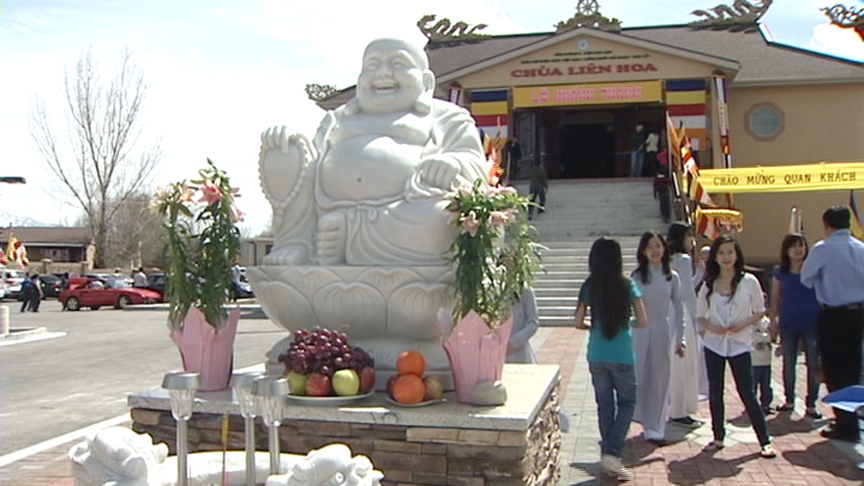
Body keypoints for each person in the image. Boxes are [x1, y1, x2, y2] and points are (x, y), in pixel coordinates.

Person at [258, 37, 488, 266]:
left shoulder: (447, 116)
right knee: (285, 152)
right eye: (372, 65)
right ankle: (296, 243)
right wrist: (290, 138)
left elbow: (475, 167)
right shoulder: (337, 119)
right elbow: (311, 161)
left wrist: (452, 163)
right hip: (327, 208)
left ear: (426, 82)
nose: (383, 73)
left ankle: (347, 230)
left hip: (406, 213)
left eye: (398, 64)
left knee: (445, 219)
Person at [574, 237, 648, 481]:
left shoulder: (589, 285)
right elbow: (643, 320)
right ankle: (612, 453)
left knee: (605, 404)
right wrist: (627, 324)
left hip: (596, 352)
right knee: (627, 402)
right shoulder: (626, 285)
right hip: (622, 352)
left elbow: (577, 321)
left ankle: (609, 455)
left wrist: (591, 327)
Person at [696, 235, 776, 458]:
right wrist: (713, 327)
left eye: (730, 252)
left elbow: (760, 310)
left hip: (740, 343)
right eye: (721, 253)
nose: (726, 257)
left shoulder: (749, 281)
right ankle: (718, 436)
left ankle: (765, 440)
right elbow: (699, 316)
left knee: (747, 393)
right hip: (714, 344)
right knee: (716, 391)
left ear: (737, 254)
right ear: (715, 257)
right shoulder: (709, 283)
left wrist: (742, 324)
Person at [800, 206, 864, 442]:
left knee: (835, 371)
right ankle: (851, 422)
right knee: (853, 369)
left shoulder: (823, 248)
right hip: (858, 314)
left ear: (827, 225)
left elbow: (806, 277)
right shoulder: (861, 248)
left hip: (833, 315)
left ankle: (844, 424)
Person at [630, 231, 684, 446]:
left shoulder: (672, 277)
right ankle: (641, 419)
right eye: (650, 247)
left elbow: (679, 308)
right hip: (640, 332)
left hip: (662, 331)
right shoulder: (636, 277)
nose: (655, 250)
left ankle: (656, 426)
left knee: (659, 378)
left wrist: (681, 338)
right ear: (643, 251)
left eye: (658, 246)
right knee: (638, 376)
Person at [768, 233, 821, 419]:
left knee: (813, 364)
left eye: (801, 245)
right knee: (788, 362)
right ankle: (789, 400)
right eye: (794, 246)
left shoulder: (814, 270)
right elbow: (775, 298)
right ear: (786, 250)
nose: (798, 249)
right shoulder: (779, 272)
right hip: (788, 322)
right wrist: (772, 321)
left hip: (812, 322)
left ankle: (812, 403)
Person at [667, 222, 705, 427]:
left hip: (669, 315)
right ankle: (680, 411)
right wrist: (696, 319)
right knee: (686, 364)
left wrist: (698, 275)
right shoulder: (683, 259)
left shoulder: (668, 259)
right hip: (683, 316)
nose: (692, 241)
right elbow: (688, 293)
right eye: (689, 236)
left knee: (675, 364)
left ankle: (675, 407)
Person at [751, 316, 774, 414]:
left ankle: (766, 405)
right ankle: (752, 406)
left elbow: (771, 335)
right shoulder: (748, 321)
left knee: (766, 385)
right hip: (754, 361)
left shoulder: (766, 321)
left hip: (766, 361)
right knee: (753, 385)